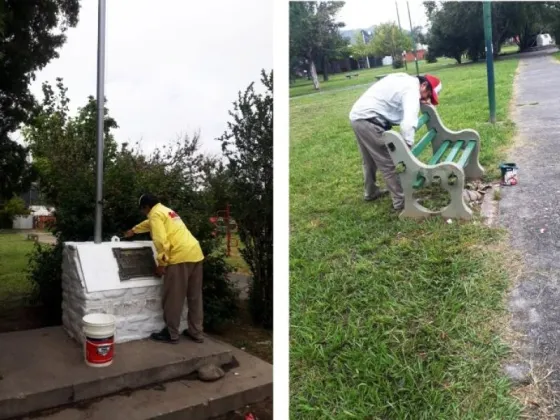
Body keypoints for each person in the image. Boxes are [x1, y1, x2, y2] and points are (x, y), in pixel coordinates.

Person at [349, 73, 442, 211]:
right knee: (387, 162)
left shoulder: (405, 80)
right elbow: (408, 123)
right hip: (369, 120)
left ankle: (371, 192)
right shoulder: (411, 90)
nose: (427, 99)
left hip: (358, 117)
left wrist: (420, 100)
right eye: (428, 94)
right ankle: (401, 202)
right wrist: (407, 148)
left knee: (369, 160)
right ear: (423, 85)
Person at [125, 194, 205, 344]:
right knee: (195, 297)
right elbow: (149, 223)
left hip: (179, 257)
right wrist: (134, 230)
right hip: (195, 254)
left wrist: (161, 263)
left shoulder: (155, 214)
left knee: (174, 298)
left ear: (147, 207)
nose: (144, 213)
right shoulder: (166, 211)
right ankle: (196, 331)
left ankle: (171, 333)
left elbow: (161, 240)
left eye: (143, 210)